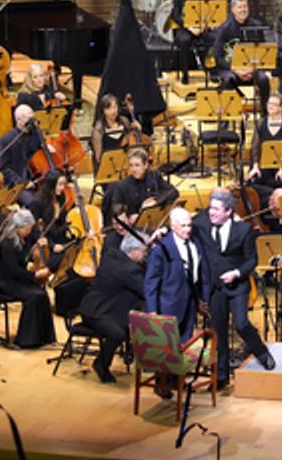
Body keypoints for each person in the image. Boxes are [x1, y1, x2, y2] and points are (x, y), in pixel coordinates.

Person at [194, 189, 276, 385]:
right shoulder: (202, 223)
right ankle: (221, 375)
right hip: (216, 288)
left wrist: (237, 273)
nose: (211, 212)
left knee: (241, 324)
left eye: (216, 209)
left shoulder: (243, 230)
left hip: (238, 286)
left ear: (228, 211)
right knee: (218, 330)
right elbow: (184, 224)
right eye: (210, 208)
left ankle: (261, 352)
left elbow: (252, 260)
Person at [78, 232, 147, 384]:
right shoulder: (128, 269)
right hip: (96, 311)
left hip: (98, 306)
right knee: (117, 334)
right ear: (133, 251)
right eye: (143, 251)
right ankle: (101, 364)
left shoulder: (111, 256)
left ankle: (136, 355)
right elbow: (144, 289)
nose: (145, 254)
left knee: (132, 315)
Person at [0, 208, 57, 348]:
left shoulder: (27, 236)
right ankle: (26, 340)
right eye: (27, 228)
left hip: (20, 279)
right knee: (33, 296)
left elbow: (39, 237)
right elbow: (14, 271)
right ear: (19, 227)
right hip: (6, 282)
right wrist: (34, 275)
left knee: (42, 294)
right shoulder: (7, 244)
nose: (29, 231)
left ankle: (44, 337)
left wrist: (44, 242)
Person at [144, 206, 207, 338]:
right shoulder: (162, 249)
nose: (187, 229)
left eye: (189, 225)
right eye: (183, 226)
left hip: (190, 304)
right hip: (169, 307)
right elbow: (151, 282)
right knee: (168, 349)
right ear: (173, 226)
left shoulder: (195, 241)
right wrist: (152, 311)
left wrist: (203, 298)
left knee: (186, 344)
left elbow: (202, 273)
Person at [212, 0, 273, 105]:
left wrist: (252, 69)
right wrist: (235, 69)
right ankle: (227, 118)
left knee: (264, 79)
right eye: (240, 7)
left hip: (252, 67)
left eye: (245, 7)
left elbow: (263, 51)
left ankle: (265, 114)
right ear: (233, 10)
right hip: (232, 69)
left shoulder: (256, 26)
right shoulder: (224, 29)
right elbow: (217, 56)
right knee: (228, 80)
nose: (243, 10)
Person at [106, 146, 178, 223]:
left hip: (153, 222)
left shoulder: (154, 177)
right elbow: (116, 211)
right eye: (131, 165)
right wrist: (128, 217)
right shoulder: (121, 186)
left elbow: (173, 192)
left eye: (137, 165)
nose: (133, 169)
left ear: (146, 165)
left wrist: (156, 201)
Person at [168, 0, 211, 83]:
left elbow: (206, 13)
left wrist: (202, 27)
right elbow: (176, 16)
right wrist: (190, 28)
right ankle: (185, 73)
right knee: (184, 40)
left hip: (199, 28)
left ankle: (213, 71)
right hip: (184, 29)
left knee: (214, 38)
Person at [90, 93, 142, 159]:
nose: (113, 111)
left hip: (126, 162)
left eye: (114, 107)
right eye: (108, 109)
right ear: (103, 111)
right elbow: (98, 156)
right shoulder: (99, 129)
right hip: (109, 163)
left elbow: (132, 142)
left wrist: (138, 130)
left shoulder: (124, 121)